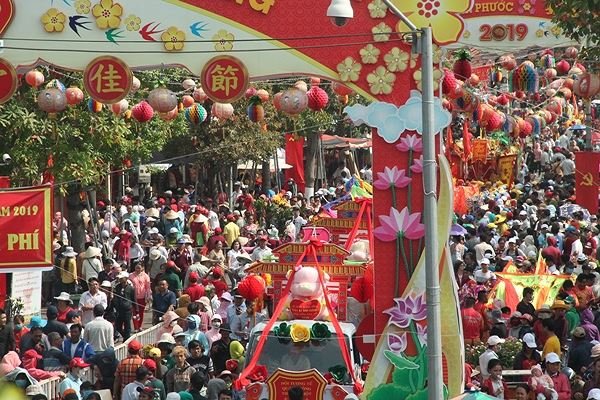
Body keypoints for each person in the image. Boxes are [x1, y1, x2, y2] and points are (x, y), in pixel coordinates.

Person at [110, 271, 137, 340]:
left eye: (122, 278)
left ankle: (127, 339)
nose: (120, 280)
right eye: (120, 278)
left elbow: (134, 299)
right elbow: (115, 297)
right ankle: (126, 337)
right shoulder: (117, 287)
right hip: (119, 309)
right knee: (118, 326)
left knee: (127, 326)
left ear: (126, 278)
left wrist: (136, 311)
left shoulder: (131, 288)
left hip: (127, 310)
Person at [129, 261, 151, 332]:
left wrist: (148, 296)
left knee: (141, 312)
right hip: (133, 297)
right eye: (136, 268)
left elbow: (148, 287)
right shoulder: (131, 275)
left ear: (142, 268)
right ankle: (136, 327)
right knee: (134, 312)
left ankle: (140, 326)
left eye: (139, 268)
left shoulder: (145, 276)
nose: (137, 269)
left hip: (142, 297)